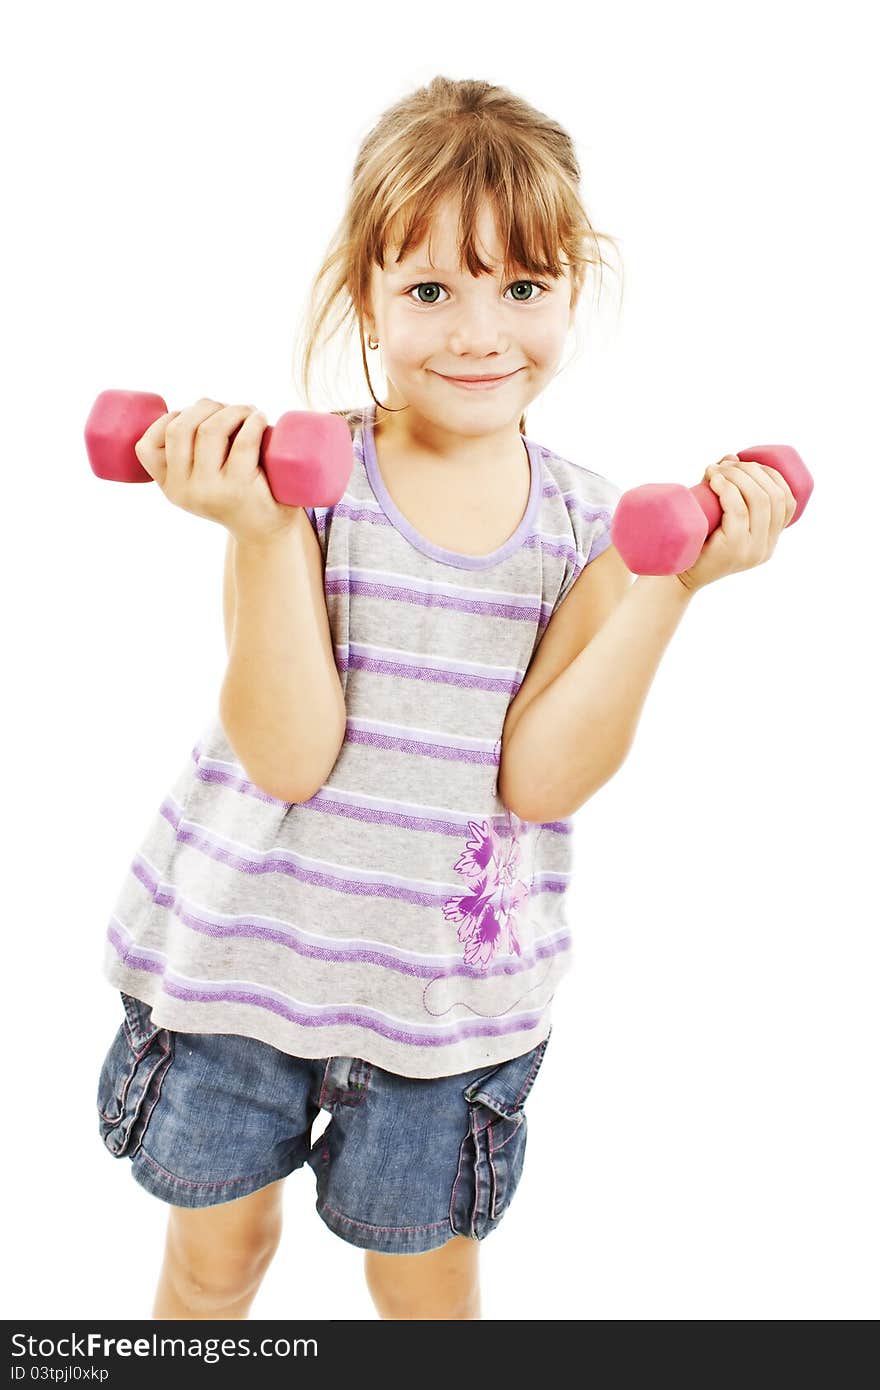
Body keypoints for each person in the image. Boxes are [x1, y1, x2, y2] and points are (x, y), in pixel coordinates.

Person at [94, 75, 797, 1321]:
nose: (479, 332)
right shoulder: (302, 484)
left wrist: (667, 591)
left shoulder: (593, 530)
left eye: (520, 288)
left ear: (573, 284)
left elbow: (541, 779)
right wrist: (258, 532)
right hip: (240, 971)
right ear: (363, 293)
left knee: (426, 1290)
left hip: (443, 1009)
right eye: (430, 290)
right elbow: (289, 752)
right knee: (212, 1264)